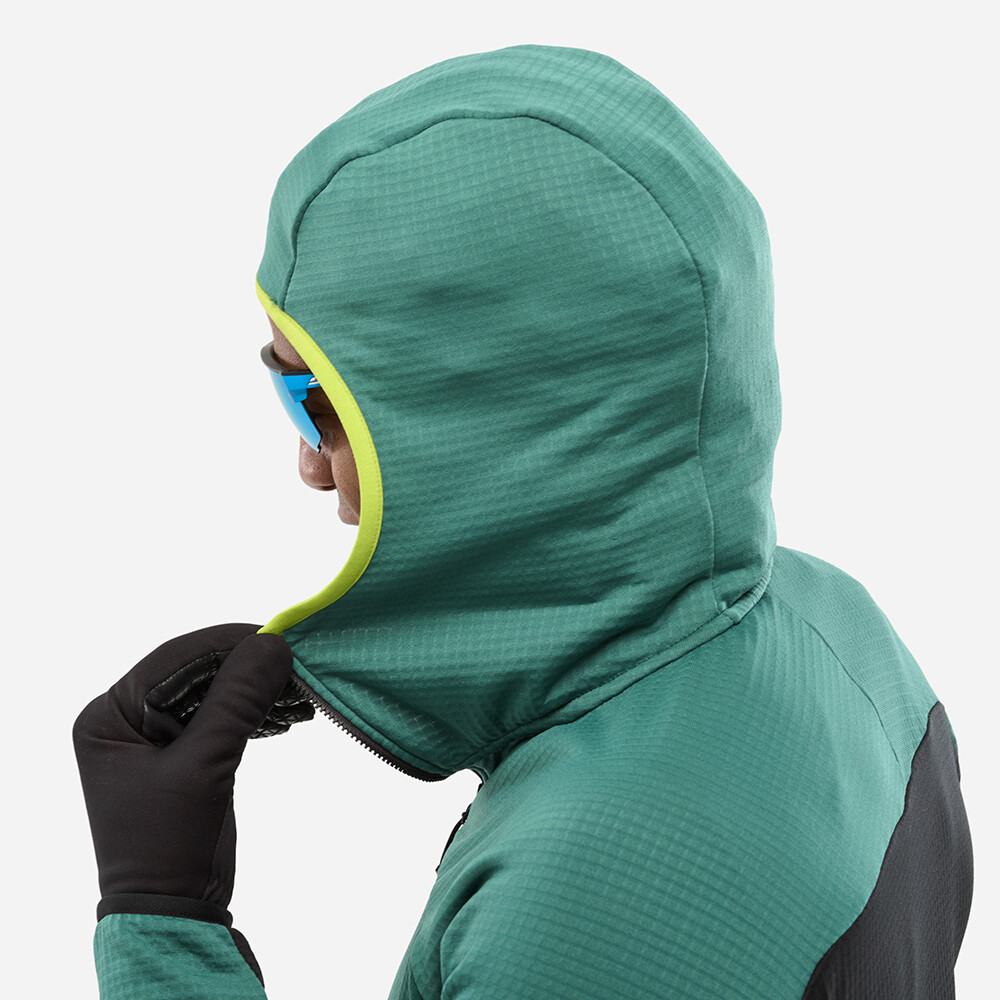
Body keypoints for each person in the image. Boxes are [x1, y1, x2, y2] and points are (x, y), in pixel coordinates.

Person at [73, 42, 974, 999]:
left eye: (321, 403)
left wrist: (163, 921)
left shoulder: (586, 906)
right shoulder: (840, 626)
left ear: (493, 423)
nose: (307, 463)